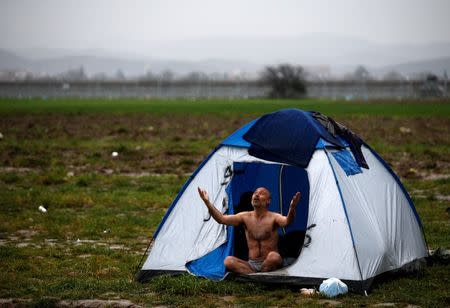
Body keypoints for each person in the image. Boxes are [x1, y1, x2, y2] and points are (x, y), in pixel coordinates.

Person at [197, 186, 301, 274]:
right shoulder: (245, 217)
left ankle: (256, 278)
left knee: (274, 257)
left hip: (270, 261)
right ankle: (260, 277)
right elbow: (221, 219)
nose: (256, 195)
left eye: (261, 194)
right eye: (255, 193)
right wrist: (207, 202)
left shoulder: (274, 217)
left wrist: (292, 208)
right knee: (228, 261)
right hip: (251, 264)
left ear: (268, 201)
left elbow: (287, 221)